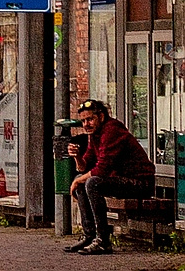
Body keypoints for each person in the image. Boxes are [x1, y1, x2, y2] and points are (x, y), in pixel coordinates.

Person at [66, 99, 155, 255]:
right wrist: (77, 156)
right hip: (121, 180)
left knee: (92, 182)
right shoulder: (95, 134)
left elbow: (102, 169)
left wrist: (76, 181)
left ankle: (103, 241)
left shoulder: (112, 131)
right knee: (84, 181)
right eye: (83, 121)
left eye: (90, 119)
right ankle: (89, 235)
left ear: (100, 117)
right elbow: (86, 166)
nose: (86, 124)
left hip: (140, 182)